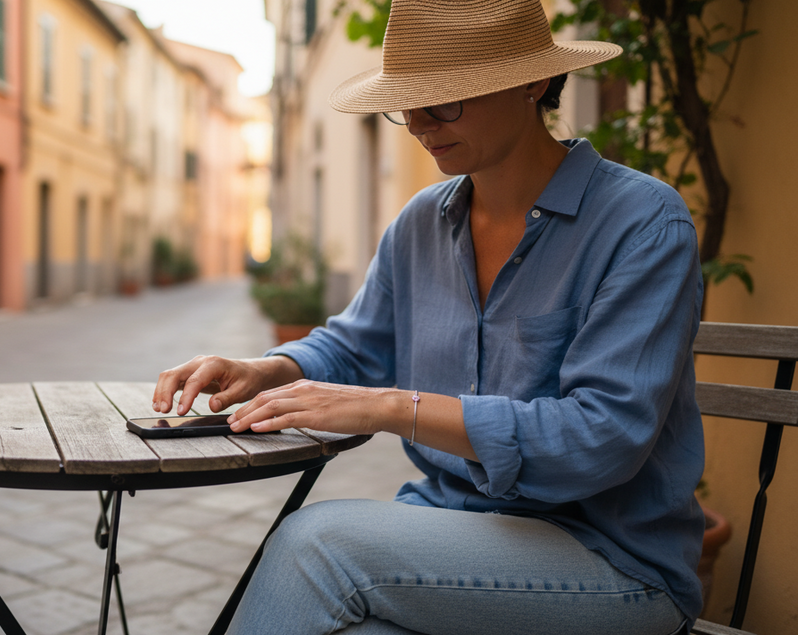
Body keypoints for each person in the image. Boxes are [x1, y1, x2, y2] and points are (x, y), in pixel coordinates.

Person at [152, 1, 705, 633]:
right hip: (450, 533)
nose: (417, 122)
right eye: (405, 102)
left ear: (532, 82)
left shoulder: (642, 224)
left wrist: (392, 408)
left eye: (444, 101)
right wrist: (269, 368)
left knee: (318, 544)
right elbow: (359, 345)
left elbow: (600, 438)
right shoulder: (422, 221)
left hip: (612, 563)